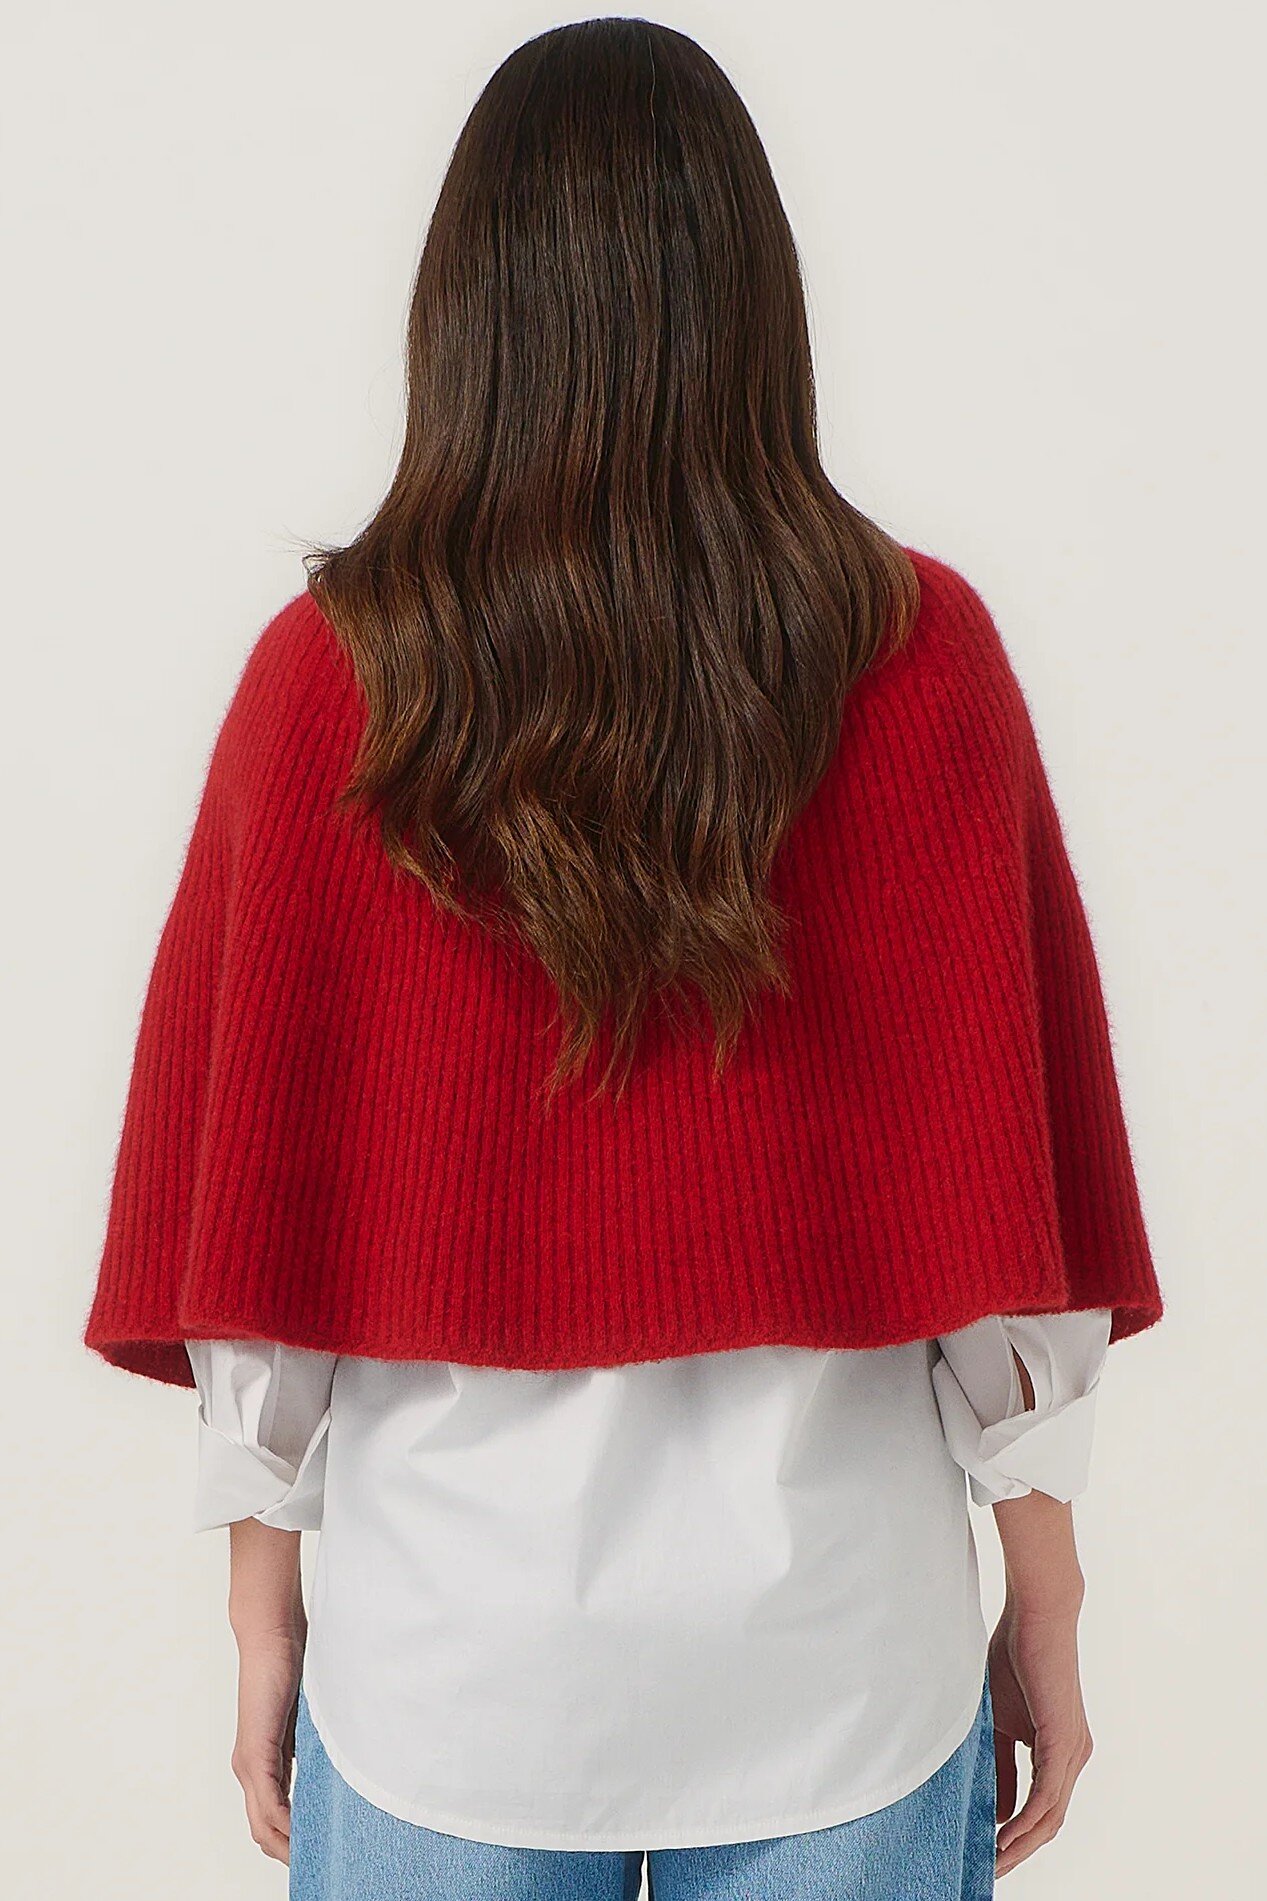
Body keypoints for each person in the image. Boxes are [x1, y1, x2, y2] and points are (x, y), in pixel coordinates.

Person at [82, 18, 1163, 1900]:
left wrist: (262, 1606)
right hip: (841, 1658)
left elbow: (251, 1238)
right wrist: (1048, 1590)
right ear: (756, 307)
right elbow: (1011, 1232)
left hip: (448, 1674)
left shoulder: (327, 686)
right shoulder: (922, 664)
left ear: (469, 315)